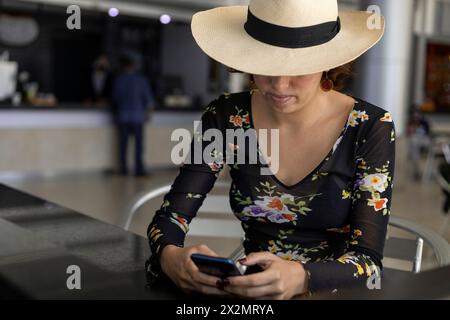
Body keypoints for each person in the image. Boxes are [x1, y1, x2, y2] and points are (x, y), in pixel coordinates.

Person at [146, 0, 395, 299]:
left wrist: (302, 277)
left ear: (328, 63)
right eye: (266, 66)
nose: (279, 85)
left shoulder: (369, 127)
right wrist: (171, 257)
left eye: (298, 70)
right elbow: (170, 217)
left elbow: (368, 260)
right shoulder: (227, 116)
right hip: (252, 295)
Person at [112, 54, 154, 176]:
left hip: (123, 116)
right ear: (133, 66)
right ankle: (139, 169)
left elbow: (115, 99)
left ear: (123, 66)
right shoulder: (141, 80)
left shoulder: (119, 80)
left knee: (123, 145)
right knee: (139, 146)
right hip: (138, 117)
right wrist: (148, 114)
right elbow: (149, 100)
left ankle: (123, 169)